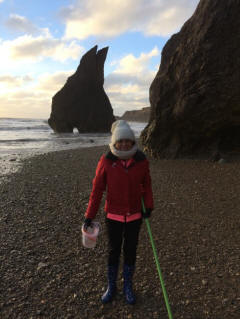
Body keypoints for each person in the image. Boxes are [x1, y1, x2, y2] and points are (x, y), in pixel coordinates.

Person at [83, 120, 154, 305]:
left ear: (132, 142)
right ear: (114, 142)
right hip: (113, 216)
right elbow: (97, 190)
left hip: (135, 216)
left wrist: (148, 206)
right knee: (113, 251)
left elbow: (147, 186)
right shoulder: (106, 161)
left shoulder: (141, 161)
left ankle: (128, 286)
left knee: (130, 251)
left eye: (127, 141)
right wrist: (89, 215)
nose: (123, 144)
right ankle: (111, 286)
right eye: (119, 141)